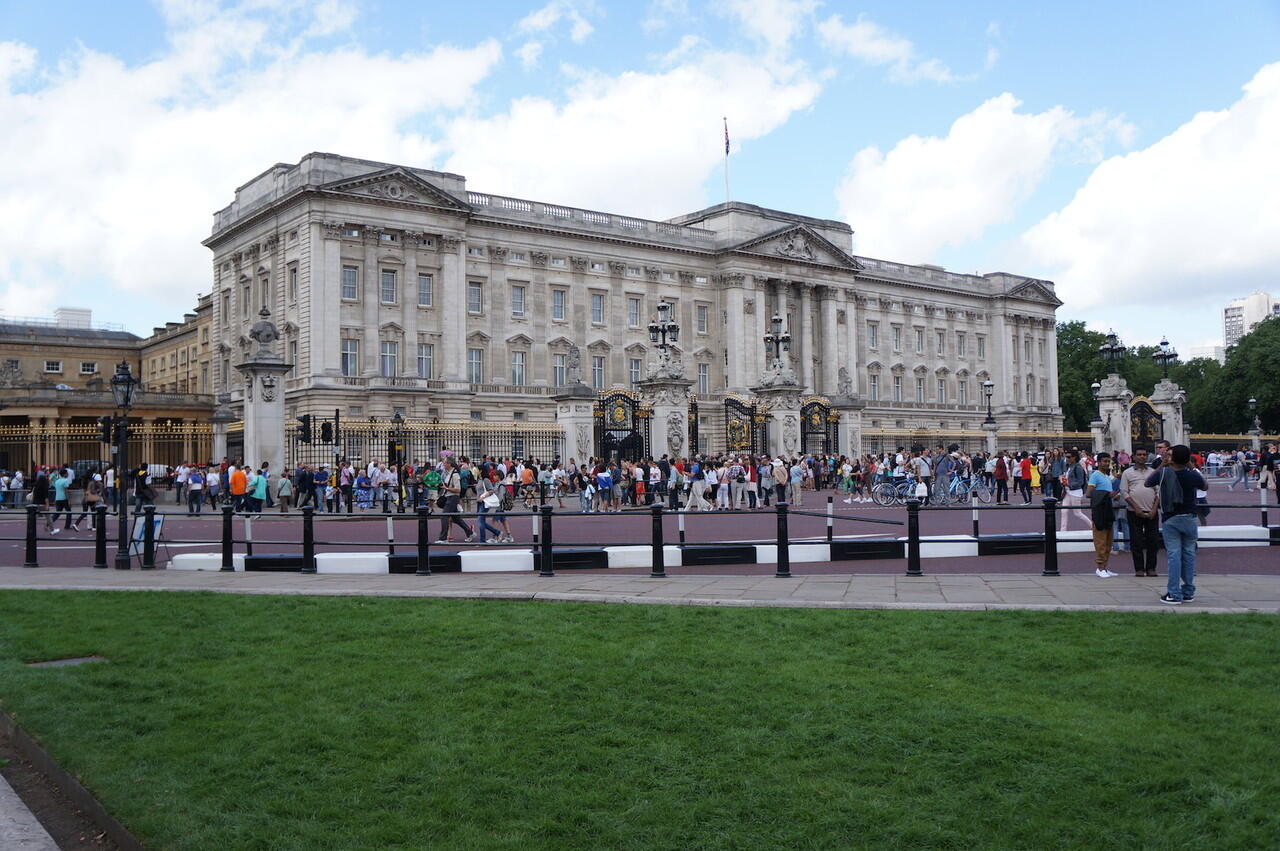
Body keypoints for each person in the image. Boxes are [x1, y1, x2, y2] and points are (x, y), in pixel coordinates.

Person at [1147, 445, 1208, 604]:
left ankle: (1174, 593)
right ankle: (1188, 591)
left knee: (1174, 556)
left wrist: (1162, 465)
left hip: (1171, 518)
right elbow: (1205, 486)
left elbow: (1148, 482)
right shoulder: (1191, 475)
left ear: (1172, 459)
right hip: (1189, 517)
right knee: (1188, 554)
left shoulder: (1163, 473)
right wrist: (1191, 466)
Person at [1120, 447, 1159, 576]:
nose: (1142, 457)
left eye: (1144, 454)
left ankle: (1151, 568)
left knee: (1153, 541)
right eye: (1139, 454)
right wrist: (1136, 507)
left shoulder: (1153, 472)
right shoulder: (1127, 473)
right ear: (1134, 457)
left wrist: (1154, 508)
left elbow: (1158, 492)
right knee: (1136, 541)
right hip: (1133, 511)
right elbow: (1124, 492)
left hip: (1151, 510)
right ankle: (1139, 569)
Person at [1086, 452, 1120, 578]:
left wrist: (1114, 495)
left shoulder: (1107, 476)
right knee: (1100, 541)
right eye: (1104, 461)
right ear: (1098, 462)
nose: (1106, 463)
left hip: (1107, 509)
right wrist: (1107, 494)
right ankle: (1100, 568)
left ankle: (1104, 567)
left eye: (1108, 461)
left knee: (1108, 541)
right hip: (1099, 511)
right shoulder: (1095, 475)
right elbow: (1088, 493)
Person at [436, 461, 475, 542]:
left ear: (449, 464)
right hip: (449, 497)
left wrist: (446, 488)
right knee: (456, 518)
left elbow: (458, 489)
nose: (444, 464)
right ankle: (470, 532)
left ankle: (443, 538)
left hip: (453, 497)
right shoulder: (449, 473)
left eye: (445, 463)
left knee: (444, 516)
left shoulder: (455, 474)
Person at [1059, 449, 1091, 531]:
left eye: (1069, 457)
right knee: (1064, 511)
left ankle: (1092, 526)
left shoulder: (1078, 467)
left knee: (1077, 513)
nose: (1067, 459)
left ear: (1074, 457)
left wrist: (1069, 484)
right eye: (1066, 457)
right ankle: (1063, 530)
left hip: (1075, 492)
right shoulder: (1070, 466)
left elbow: (1080, 482)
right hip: (1068, 491)